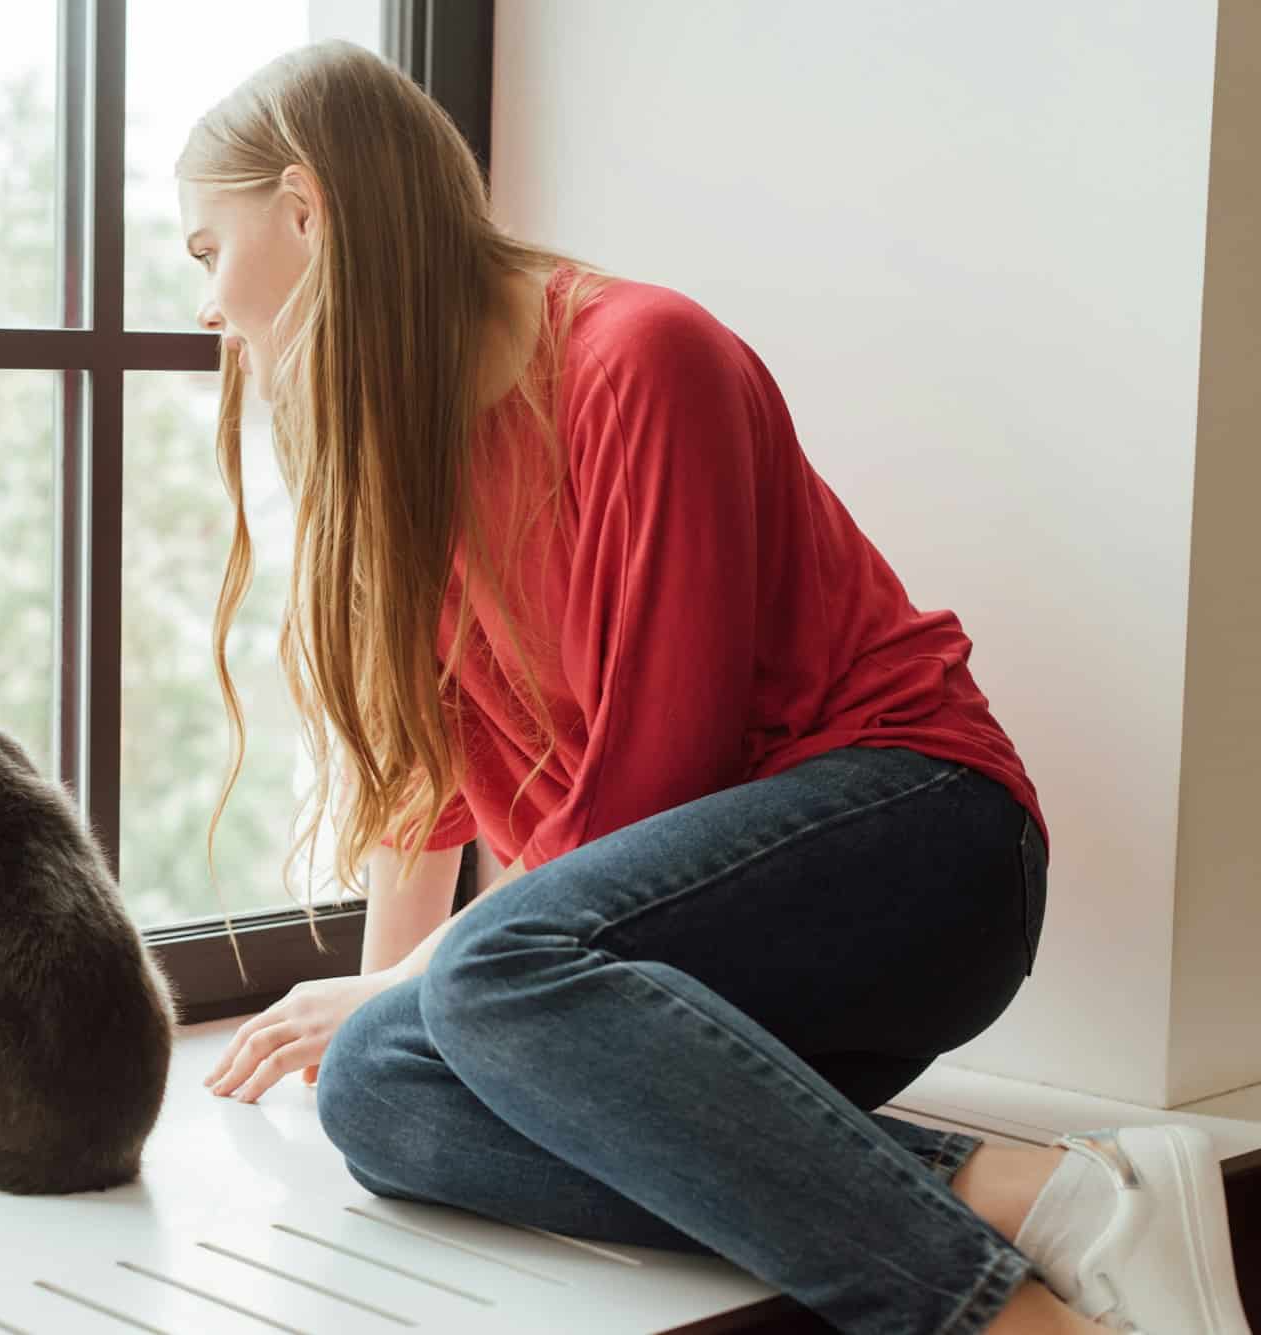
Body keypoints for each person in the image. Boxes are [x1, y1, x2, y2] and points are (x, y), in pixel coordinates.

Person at [178, 39, 1251, 1335]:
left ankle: (1020, 1326)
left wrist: (417, 980)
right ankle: (1055, 1201)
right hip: (675, 952)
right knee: (382, 1096)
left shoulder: (640, 353)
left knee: (481, 979)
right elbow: (427, 779)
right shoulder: (406, 449)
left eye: (207, 251)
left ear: (305, 209)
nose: (208, 306)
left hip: (922, 847)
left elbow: (657, 777)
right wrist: (376, 1003)